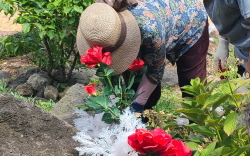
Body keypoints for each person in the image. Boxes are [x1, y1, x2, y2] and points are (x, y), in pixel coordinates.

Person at [76, 0, 209, 113]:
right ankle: (144, 124)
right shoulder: (101, 24)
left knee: (191, 81)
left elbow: (155, 71)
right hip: (158, 21)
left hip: (190, 17)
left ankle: (200, 130)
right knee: (137, 84)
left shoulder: (149, 29)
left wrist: (137, 105)